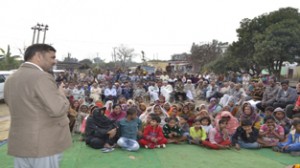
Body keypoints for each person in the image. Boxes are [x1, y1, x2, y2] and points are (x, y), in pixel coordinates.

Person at [4, 44, 71, 168]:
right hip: (43, 144)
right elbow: (58, 109)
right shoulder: (42, 77)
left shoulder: (11, 78)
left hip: (20, 143)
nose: (54, 61)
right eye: (52, 57)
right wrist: (61, 95)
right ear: (38, 56)